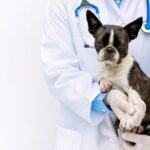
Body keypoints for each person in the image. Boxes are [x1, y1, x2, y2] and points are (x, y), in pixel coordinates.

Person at [40, 0, 150, 150]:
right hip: (86, 140)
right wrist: (104, 98)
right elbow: (58, 71)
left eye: (117, 46)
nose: (110, 50)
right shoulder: (63, 3)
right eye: (102, 45)